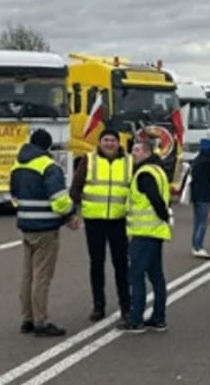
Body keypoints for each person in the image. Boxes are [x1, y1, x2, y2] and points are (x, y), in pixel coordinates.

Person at [10, 128, 78, 337]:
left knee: (27, 275)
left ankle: (27, 319)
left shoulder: (18, 164)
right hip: (46, 228)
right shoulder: (49, 167)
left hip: (26, 224)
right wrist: (70, 215)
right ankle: (40, 322)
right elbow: (59, 199)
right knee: (42, 277)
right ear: (48, 146)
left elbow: (13, 196)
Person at [68, 128, 132, 322]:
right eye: (106, 140)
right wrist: (81, 208)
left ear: (119, 142)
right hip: (95, 221)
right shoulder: (89, 160)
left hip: (119, 221)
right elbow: (75, 189)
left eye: (113, 140)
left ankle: (126, 307)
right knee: (97, 265)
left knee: (121, 266)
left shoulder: (129, 161)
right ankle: (98, 306)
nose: (109, 144)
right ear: (99, 142)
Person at [119, 138, 172, 333]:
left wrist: (163, 214)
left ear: (147, 153)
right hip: (155, 231)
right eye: (133, 149)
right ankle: (159, 318)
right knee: (156, 275)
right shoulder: (158, 170)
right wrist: (164, 217)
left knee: (136, 275)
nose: (134, 153)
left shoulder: (144, 174)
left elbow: (155, 199)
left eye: (138, 150)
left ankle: (136, 320)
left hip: (144, 233)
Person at [188, 138, 210, 258]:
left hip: (195, 194)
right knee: (203, 222)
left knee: (197, 222)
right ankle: (198, 246)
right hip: (205, 195)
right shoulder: (207, 162)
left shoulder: (196, 161)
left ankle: (194, 245)